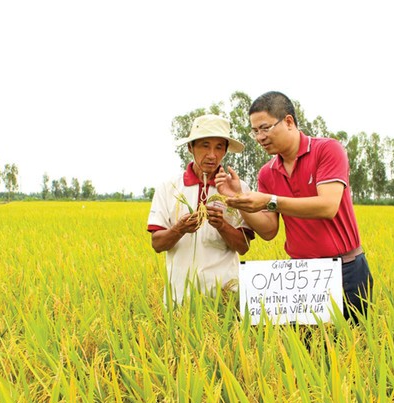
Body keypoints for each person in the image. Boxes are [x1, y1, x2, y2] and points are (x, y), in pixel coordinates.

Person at [216, 91, 373, 322]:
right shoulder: (267, 173)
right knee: (305, 352)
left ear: (288, 122)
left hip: (346, 269)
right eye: (255, 131)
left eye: (265, 128)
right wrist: (241, 201)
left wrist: (269, 201)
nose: (259, 137)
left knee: (354, 348)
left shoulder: (327, 150)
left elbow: (327, 206)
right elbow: (269, 231)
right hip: (301, 276)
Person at [147, 114, 254, 304]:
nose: (212, 155)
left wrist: (222, 226)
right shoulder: (169, 188)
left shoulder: (238, 189)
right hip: (179, 297)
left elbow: (243, 247)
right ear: (190, 147)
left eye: (219, 147)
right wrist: (179, 229)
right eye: (205, 145)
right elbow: (157, 244)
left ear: (226, 150)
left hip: (226, 298)